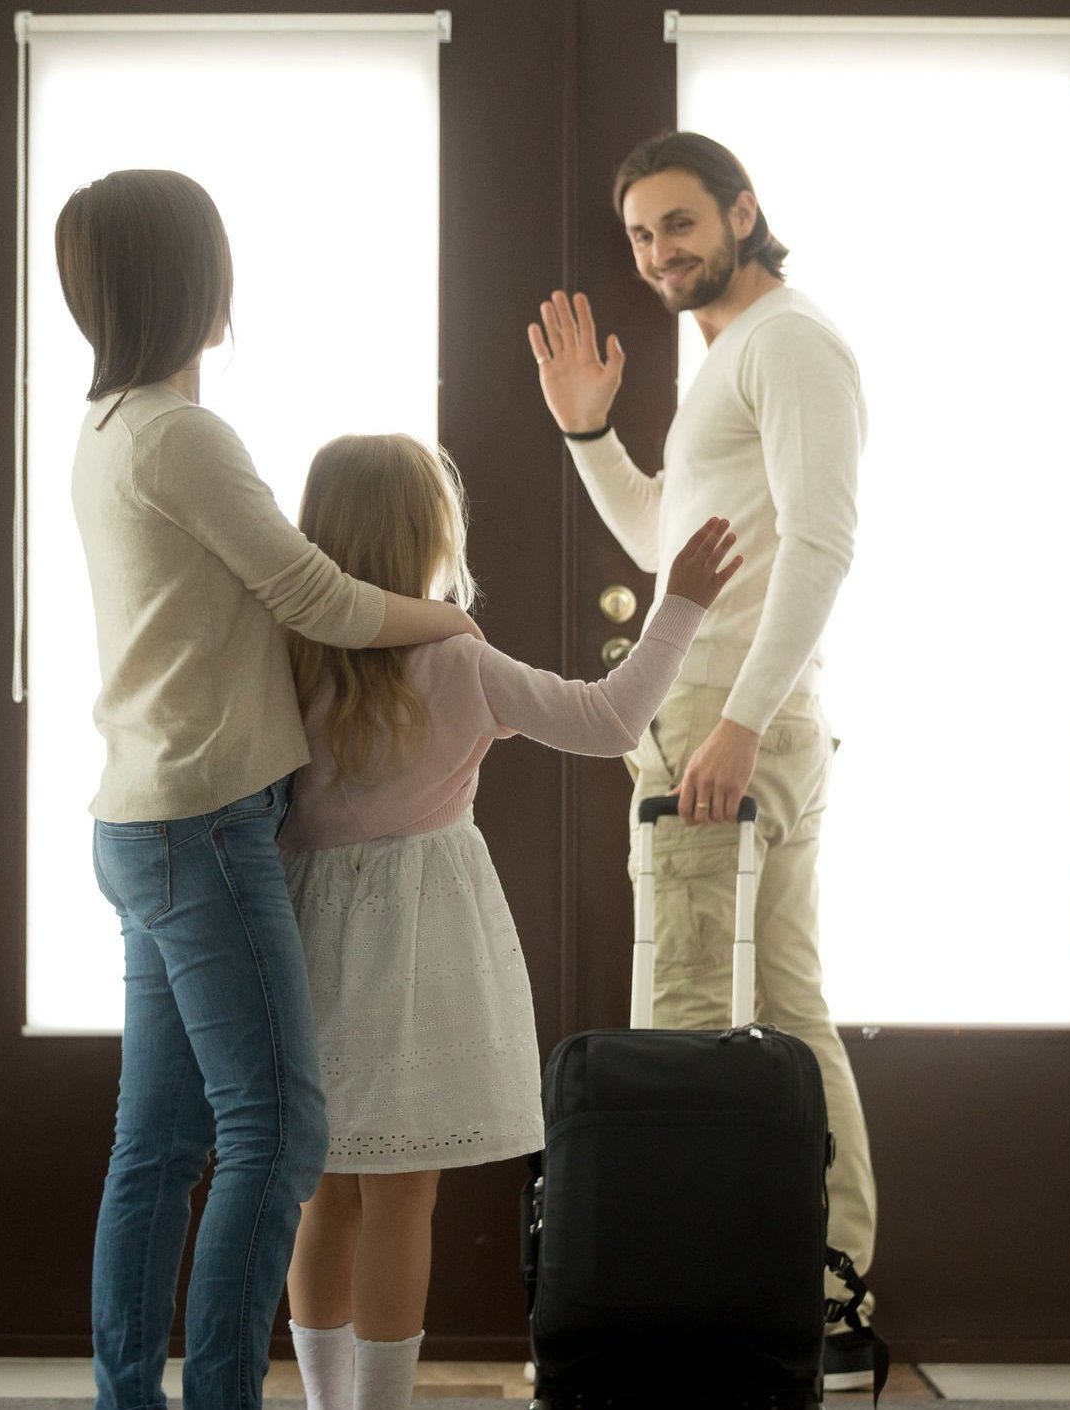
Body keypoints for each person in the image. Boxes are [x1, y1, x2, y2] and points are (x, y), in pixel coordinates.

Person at [56, 170, 484, 1410]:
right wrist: (448, 620)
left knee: (160, 1146)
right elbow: (317, 598)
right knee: (277, 1134)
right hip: (199, 826)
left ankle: (133, 1395)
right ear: (201, 280)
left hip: (142, 819)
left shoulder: (108, 432)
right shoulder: (182, 435)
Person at [270, 431, 740, 1410]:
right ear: (426, 539)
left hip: (304, 933)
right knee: (404, 1196)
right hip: (419, 942)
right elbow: (611, 720)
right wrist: (681, 604)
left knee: (323, 1193)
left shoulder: (282, 654)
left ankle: (322, 1405)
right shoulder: (454, 657)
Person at [526, 130, 879, 1388]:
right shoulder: (734, 356)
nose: (657, 252)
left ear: (742, 212)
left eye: (678, 224)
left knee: (684, 1024)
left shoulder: (784, 342)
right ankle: (822, 1308)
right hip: (739, 715)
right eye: (639, 236)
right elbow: (672, 545)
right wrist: (590, 436)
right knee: (785, 1012)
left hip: (736, 721)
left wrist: (734, 719)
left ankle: (678, 1342)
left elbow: (823, 547)